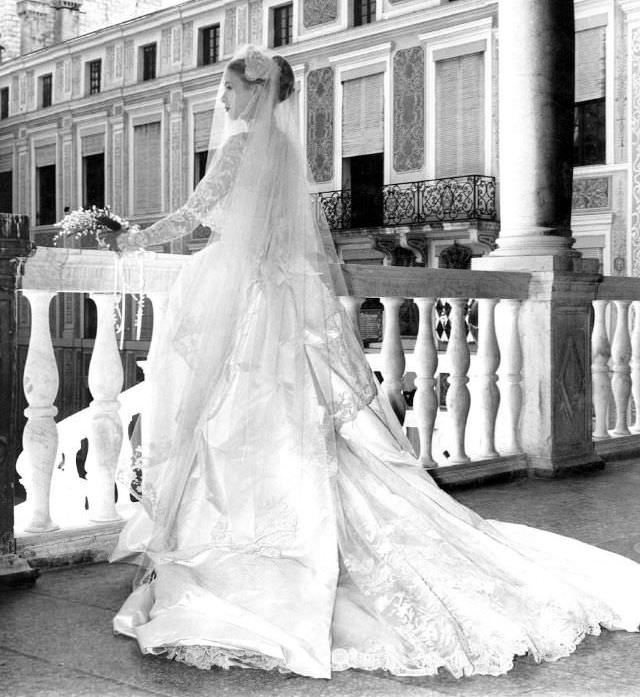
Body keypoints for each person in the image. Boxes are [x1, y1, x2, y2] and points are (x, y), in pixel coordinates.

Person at [106, 46, 640, 679]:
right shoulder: (283, 153)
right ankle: (291, 534)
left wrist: (124, 235)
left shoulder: (240, 148)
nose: (220, 102)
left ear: (252, 92)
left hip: (242, 296)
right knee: (281, 421)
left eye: (225, 89)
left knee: (230, 417)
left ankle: (251, 554)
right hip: (273, 299)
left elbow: (195, 216)